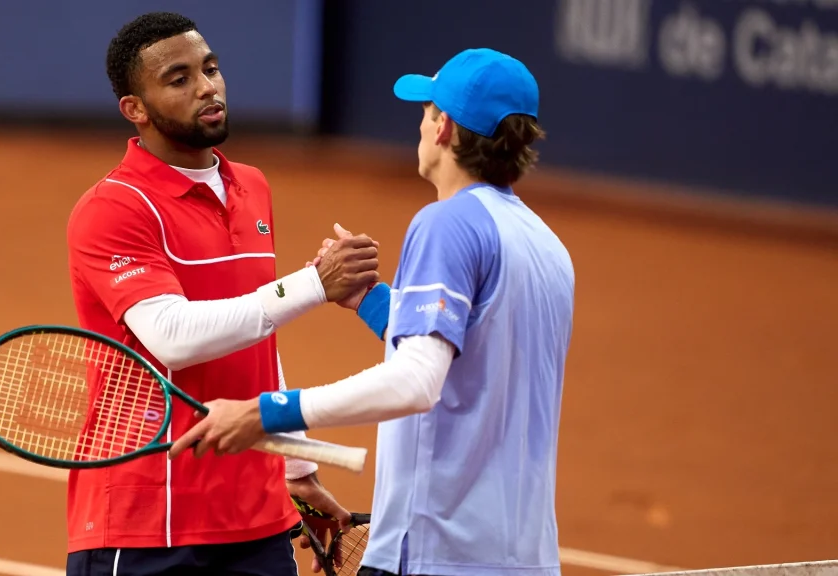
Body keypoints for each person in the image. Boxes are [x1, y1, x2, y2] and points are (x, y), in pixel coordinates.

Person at [169, 48, 576, 576]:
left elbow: (416, 382)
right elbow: (471, 365)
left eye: (426, 111)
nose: (422, 124)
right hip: (524, 558)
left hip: (436, 551)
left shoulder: (446, 223)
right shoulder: (546, 247)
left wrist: (263, 413)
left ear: (444, 127)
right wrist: (370, 302)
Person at [64, 11, 381, 576]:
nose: (207, 86)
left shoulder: (250, 187)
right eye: (179, 78)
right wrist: (314, 284)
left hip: (254, 519)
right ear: (135, 110)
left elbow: (256, 338)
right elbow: (173, 338)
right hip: (148, 522)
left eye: (210, 69)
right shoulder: (114, 209)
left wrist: (298, 466)